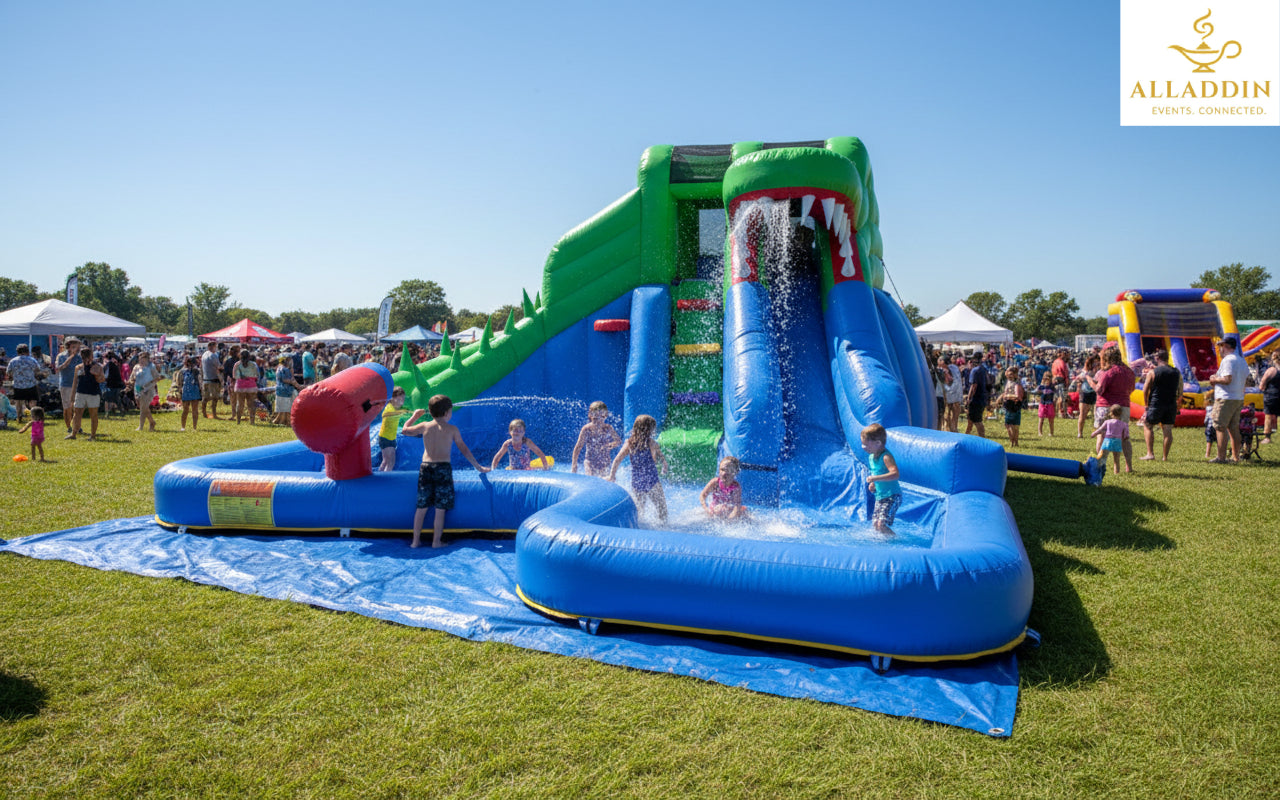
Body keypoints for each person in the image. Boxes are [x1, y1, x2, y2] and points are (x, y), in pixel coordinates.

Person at [401, 394, 490, 548]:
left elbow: (404, 430)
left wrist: (415, 416)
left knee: (421, 507)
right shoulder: (452, 429)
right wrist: (478, 467)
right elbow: (464, 450)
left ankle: (415, 542)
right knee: (440, 509)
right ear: (447, 413)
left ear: (430, 411)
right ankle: (436, 542)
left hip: (426, 468)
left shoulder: (425, 426)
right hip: (443, 469)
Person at [608, 414, 669, 522]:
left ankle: (638, 530)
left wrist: (612, 476)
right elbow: (660, 457)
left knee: (639, 511)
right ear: (648, 429)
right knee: (662, 510)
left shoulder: (629, 443)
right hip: (652, 481)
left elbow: (617, 460)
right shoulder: (652, 443)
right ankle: (664, 529)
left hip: (637, 481)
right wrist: (664, 464)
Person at [1207, 337, 1248, 463]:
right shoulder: (1241, 360)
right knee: (1233, 428)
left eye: (1221, 346)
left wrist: (1214, 379)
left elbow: (1227, 379)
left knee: (1220, 427)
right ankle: (1235, 456)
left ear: (1226, 346)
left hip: (1225, 398)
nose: (1220, 349)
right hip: (1238, 397)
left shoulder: (1228, 360)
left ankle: (1221, 457)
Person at [1094, 347, 1136, 467]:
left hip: (1105, 405)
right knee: (1124, 437)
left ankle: (1101, 464)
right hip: (1124, 406)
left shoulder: (1109, 372)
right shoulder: (1129, 371)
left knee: (1101, 435)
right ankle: (1128, 466)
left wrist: (1090, 381)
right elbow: (1132, 389)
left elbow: (1100, 390)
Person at [1140, 349, 1181, 461]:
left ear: (1157, 359)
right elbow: (1179, 390)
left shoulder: (1153, 372)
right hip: (1171, 404)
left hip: (1156, 403)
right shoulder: (1176, 372)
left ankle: (1150, 454)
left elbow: (1145, 390)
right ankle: (1165, 457)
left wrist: (1146, 405)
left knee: (1148, 425)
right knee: (1167, 429)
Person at [861, 423, 901, 535]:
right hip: (880, 496)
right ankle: (884, 544)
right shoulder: (871, 457)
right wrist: (874, 483)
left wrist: (875, 478)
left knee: (881, 524)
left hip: (892, 496)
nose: (863, 447)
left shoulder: (886, 457)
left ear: (878, 443)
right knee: (875, 524)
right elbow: (878, 473)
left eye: (866, 445)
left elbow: (895, 474)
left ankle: (895, 543)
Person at [570, 400, 621, 476]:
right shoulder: (586, 429)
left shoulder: (608, 428)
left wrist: (610, 445)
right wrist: (574, 465)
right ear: (590, 415)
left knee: (605, 481)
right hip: (589, 461)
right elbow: (578, 447)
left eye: (601, 417)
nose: (598, 421)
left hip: (604, 462)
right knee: (590, 478)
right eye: (595, 418)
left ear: (605, 416)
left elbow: (618, 441)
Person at [69, 350, 104, 440]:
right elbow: (75, 382)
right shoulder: (79, 367)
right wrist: (72, 396)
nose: (86, 358)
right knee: (77, 414)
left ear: (91, 356)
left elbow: (102, 379)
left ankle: (93, 436)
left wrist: (96, 375)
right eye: (83, 356)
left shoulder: (97, 366)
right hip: (80, 393)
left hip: (93, 393)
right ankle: (73, 434)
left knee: (93, 415)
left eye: (87, 356)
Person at [5, 343, 44, 423]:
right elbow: (37, 371)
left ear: (17, 352)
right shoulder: (32, 360)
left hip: (18, 385)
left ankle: (19, 418)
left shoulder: (13, 361)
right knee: (32, 402)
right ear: (27, 351)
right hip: (31, 385)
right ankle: (34, 418)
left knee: (18, 402)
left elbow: (8, 373)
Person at [700, 455, 748, 520]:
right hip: (715, 509)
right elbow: (702, 496)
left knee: (745, 513)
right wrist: (706, 509)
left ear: (735, 472)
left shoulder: (736, 487)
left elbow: (737, 506)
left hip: (729, 510)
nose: (724, 473)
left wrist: (730, 518)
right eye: (722, 470)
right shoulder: (715, 482)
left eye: (728, 471)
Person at [1092, 404, 1133, 475]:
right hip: (1117, 442)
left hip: (1107, 441)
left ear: (1110, 413)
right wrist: (1124, 437)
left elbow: (1100, 429)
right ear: (1121, 413)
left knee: (1102, 457)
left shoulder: (1107, 422)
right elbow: (1126, 435)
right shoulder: (1124, 424)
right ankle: (1116, 473)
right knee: (1116, 459)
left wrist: (1094, 434)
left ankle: (1099, 470)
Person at [54, 337, 83, 434]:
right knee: (67, 408)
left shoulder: (79, 357)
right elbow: (60, 368)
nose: (77, 349)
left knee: (77, 407)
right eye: (74, 346)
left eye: (77, 347)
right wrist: (70, 357)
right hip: (65, 384)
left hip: (77, 385)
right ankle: (69, 427)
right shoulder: (61, 356)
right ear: (69, 346)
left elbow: (82, 370)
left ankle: (77, 426)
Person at [377, 386, 408, 471]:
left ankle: (381, 477)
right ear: (392, 398)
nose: (401, 400)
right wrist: (400, 413)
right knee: (388, 461)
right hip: (385, 438)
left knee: (390, 461)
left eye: (402, 398)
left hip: (391, 438)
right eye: (398, 398)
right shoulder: (389, 407)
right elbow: (385, 415)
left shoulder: (398, 409)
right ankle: (385, 480)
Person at [129, 352, 161, 432]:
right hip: (138, 388)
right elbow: (132, 377)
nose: (141, 361)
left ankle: (141, 426)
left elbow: (157, 377)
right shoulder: (136, 367)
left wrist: (149, 384)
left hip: (148, 389)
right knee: (143, 407)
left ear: (147, 359)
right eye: (140, 359)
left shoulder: (151, 367)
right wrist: (129, 383)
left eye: (143, 359)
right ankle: (152, 422)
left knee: (143, 408)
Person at [232, 349, 260, 425]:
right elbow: (256, 375)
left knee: (240, 404)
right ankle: (252, 421)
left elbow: (234, 376)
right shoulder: (253, 364)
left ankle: (238, 421)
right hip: (251, 386)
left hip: (240, 386)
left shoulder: (237, 364)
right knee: (251, 404)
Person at [964, 354, 989, 437]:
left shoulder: (975, 371)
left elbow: (973, 386)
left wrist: (968, 398)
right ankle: (966, 435)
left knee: (977, 421)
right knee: (971, 419)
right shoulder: (983, 369)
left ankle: (982, 438)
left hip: (976, 399)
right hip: (982, 397)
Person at [1075, 355, 1100, 438]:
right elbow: (1079, 377)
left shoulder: (1100, 371)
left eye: (1098, 362)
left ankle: (1096, 432)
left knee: (1097, 414)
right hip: (1085, 392)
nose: (1097, 364)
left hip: (1095, 392)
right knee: (1083, 414)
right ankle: (1080, 433)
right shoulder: (1086, 371)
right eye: (1095, 362)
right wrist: (1079, 379)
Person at [1000, 367, 1025, 447]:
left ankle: (1013, 442)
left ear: (1015, 375)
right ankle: (1014, 442)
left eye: (1011, 374)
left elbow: (1018, 396)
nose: (1009, 375)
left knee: (1011, 425)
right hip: (1009, 405)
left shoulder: (1016, 384)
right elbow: (1005, 372)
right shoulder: (1009, 382)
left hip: (1013, 405)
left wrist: (1007, 396)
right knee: (1012, 425)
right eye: (1008, 374)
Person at [273, 355, 300, 426]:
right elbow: (288, 380)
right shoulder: (286, 370)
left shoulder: (279, 368)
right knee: (287, 408)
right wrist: (298, 386)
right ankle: (287, 422)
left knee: (282, 409)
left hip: (279, 390)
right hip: (286, 391)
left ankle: (279, 420)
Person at [177, 355, 202, 431]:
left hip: (194, 390)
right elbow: (179, 382)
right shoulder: (182, 371)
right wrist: (180, 391)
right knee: (185, 410)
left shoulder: (197, 371)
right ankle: (183, 427)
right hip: (186, 391)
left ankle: (194, 427)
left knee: (194, 410)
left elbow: (200, 381)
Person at [1259, 350, 1280, 445]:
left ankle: (1267, 437)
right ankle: (1274, 430)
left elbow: (1261, 385)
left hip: (1271, 397)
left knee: (1268, 416)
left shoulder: (1271, 370)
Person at [200, 342, 224, 419]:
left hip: (205, 379)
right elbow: (219, 366)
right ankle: (214, 414)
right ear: (213, 346)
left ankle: (203, 413)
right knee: (215, 398)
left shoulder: (204, 355)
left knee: (205, 398)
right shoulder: (213, 355)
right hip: (213, 379)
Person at [943, 355, 963, 432]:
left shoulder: (945, 370)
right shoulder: (955, 368)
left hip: (950, 394)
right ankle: (953, 428)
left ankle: (949, 428)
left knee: (948, 412)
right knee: (954, 413)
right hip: (956, 394)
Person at [1052, 349, 1072, 418]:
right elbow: (1065, 373)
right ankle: (1062, 413)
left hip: (1055, 380)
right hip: (1061, 380)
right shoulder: (1062, 362)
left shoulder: (1054, 362)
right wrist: (1067, 382)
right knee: (1062, 398)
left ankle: (1056, 412)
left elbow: (1053, 371)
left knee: (1056, 397)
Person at [1036, 372, 1057, 437]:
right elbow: (1037, 392)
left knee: (1051, 419)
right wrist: (1041, 385)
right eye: (1045, 377)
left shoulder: (1052, 386)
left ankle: (1051, 432)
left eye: (1049, 377)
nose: (1047, 379)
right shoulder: (1041, 386)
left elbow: (1056, 394)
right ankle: (1040, 432)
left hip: (1050, 403)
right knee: (1041, 419)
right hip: (1042, 403)